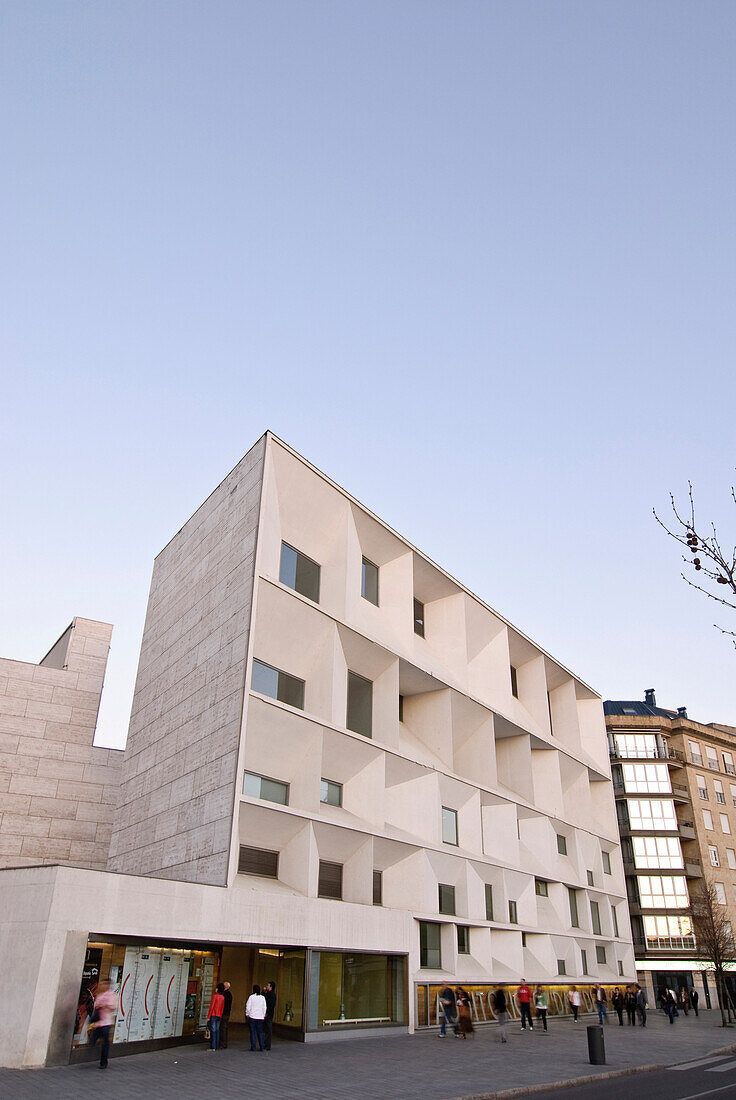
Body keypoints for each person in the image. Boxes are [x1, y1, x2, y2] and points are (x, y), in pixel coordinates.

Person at [92, 980, 117, 1069]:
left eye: (103, 984)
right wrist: (99, 1006)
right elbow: (96, 1006)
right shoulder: (100, 995)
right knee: (93, 1040)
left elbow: (113, 1007)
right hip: (98, 1023)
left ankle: (103, 1062)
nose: (101, 986)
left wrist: (105, 1006)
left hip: (107, 1023)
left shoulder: (112, 995)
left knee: (105, 1044)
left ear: (107, 985)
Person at [246, 984, 267, 1051]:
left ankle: (253, 1047)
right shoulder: (262, 997)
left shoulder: (251, 997)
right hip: (260, 1017)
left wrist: (247, 1014)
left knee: (252, 1032)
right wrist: (263, 1015)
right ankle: (262, 1046)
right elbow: (264, 1007)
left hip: (252, 1016)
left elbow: (248, 1006)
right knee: (260, 1032)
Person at [207, 982, 225, 1051]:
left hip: (213, 1015)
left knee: (213, 1031)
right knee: (217, 1030)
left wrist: (208, 1016)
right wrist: (220, 1015)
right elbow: (222, 1008)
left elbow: (212, 1007)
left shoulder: (215, 996)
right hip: (219, 1015)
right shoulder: (222, 997)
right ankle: (216, 1046)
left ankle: (213, 1047)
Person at [263, 981, 277, 1051]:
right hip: (267, 1014)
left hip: (268, 1015)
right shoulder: (268, 994)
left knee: (268, 1030)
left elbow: (271, 1005)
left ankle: (267, 1045)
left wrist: (267, 1012)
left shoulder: (271, 995)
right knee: (266, 1029)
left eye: (268, 985)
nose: (266, 987)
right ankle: (265, 1044)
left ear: (271, 987)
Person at [220, 981, 232, 1049]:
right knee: (223, 1028)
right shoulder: (228, 994)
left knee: (223, 1028)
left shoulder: (225, 994)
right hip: (226, 1013)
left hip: (224, 1013)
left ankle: (223, 1043)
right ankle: (223, 1043)